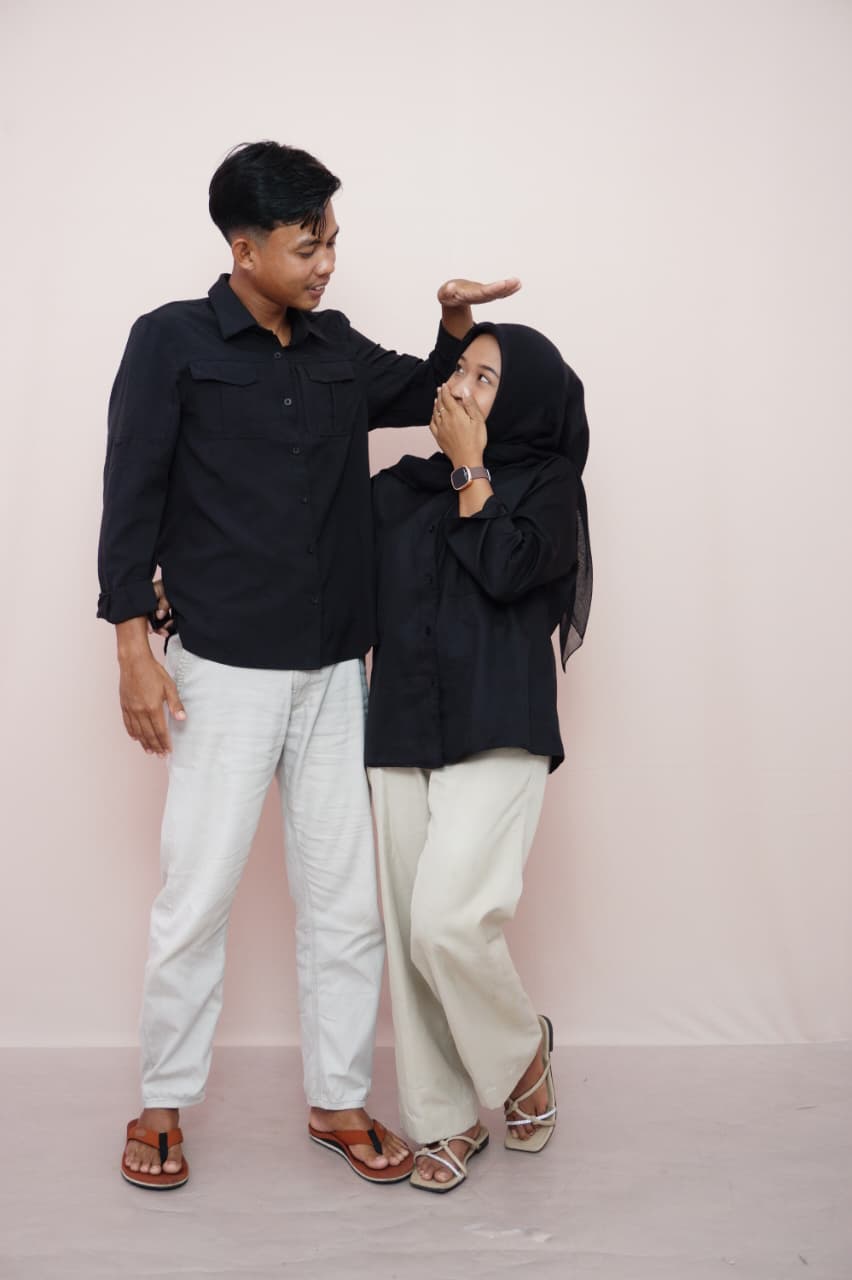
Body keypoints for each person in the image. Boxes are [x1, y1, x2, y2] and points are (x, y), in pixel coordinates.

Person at [97, 140, 519, 1189]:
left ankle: (337, 1097)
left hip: (335, 670)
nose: (326, 262)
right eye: (305, 245)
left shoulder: (334, 346)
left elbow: (426, 392)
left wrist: (454, 326)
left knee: (343, 905)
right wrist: (132, 646)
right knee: (196, 893)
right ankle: (162, 1101)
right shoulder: (170, 341)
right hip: (222, 668)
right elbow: (131, 490)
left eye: (331, 240)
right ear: (244, 250)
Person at [364, 320, 591, 1192]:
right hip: (400, 724)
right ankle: (444, 1119)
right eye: (459, 370)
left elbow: (505, 569)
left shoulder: (547, 484)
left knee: (448, 924)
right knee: (409, 939)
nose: (458, 387)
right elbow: (325, 571)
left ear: (523, 399)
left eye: (485, 378)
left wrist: (469, 468)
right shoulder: (399, 489)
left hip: (500, 721)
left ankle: (522, 1055)